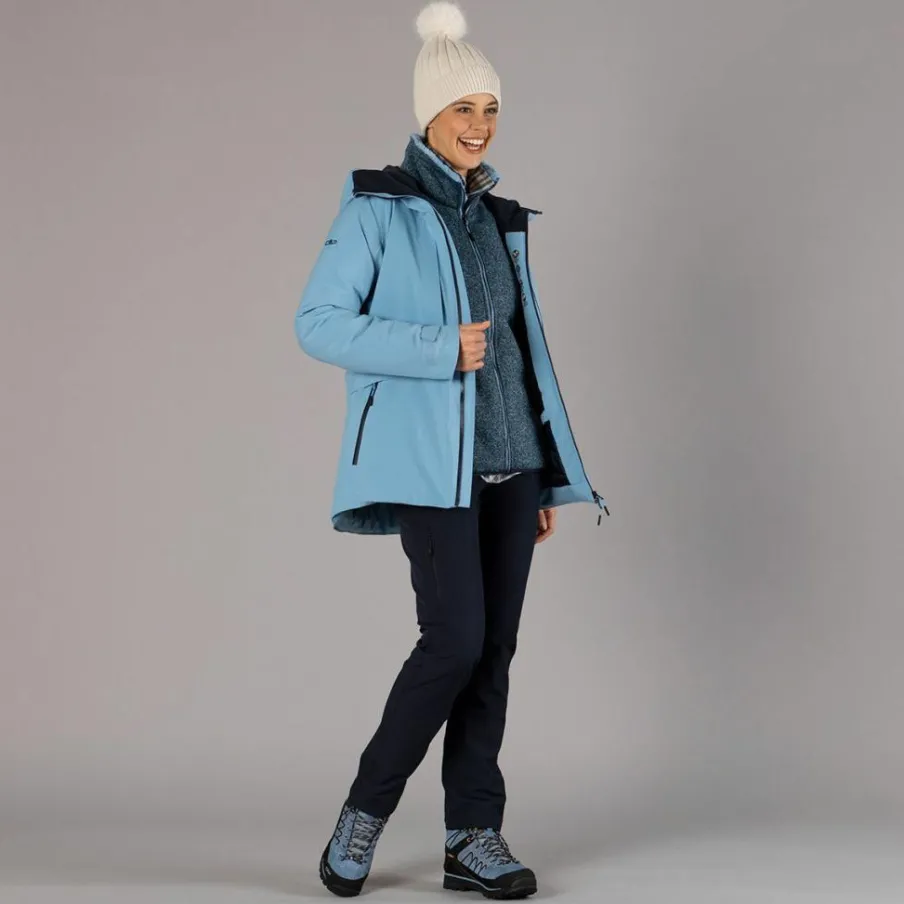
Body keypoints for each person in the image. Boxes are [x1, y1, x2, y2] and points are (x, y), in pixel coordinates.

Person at [294, 2, 608, 898]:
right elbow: (317, 323)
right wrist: (436, 349)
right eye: (463, 108)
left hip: (512, 466)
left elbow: (516, 351)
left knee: (493, 651)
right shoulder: (379, 209)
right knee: (454, 642)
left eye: (491, 108)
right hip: (435, 469)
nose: (479, 124)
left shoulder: (498, 216)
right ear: (428, 114)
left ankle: (473, 836)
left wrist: (543, 472)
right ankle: (363, 814)